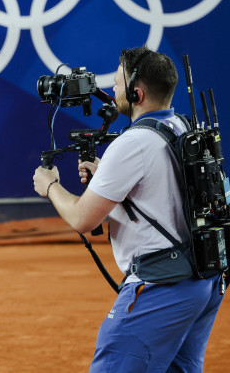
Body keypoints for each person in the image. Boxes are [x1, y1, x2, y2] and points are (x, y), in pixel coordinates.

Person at [33, 47, 225, 372]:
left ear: (137, 93)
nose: (112, 91)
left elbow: (82, 218)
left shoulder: (132, 143)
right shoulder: (182, 127)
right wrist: (107, 182)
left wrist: (51, 186)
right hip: (204, 284)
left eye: (118, 84)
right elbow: (167, 191)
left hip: (162, 287)